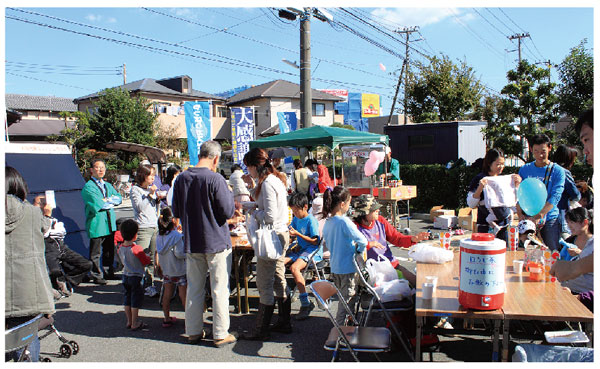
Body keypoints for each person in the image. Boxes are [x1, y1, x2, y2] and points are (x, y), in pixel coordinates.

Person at [172, 140, 237, 347]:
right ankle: (219, 333)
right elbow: (227, 212)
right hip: (216, 241)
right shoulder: (215, 179)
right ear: (215, 158)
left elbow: (176, 212)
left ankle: (192, 331)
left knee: (194, 288)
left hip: (192, 241)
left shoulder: (181, 179)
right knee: (219, 289)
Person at [5, 166, 55, 362]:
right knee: (26, 337)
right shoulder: (33, 214)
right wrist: (45, 212)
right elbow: (45, 228)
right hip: (28, 290)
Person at [241, 147, 291, 341]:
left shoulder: (269, 183)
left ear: (255, 166)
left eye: (249, 167)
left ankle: (262, 329)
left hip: (272, 235)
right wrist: (254, 203)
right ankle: (284, 321)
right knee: (278, 278)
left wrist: (253, 211)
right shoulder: (274, 180)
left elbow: (269, 216)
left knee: (264, 282)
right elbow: (268, 206)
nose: (248, 171)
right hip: (280, 233)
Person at [550, 108, 593, 311]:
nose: (585, 151)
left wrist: (574, 268)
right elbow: (574, 196)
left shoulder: (552, 171)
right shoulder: (563, 172)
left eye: (587, 140)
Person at [321, 186, 374, 325]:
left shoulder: (328, 222)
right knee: (347, 304)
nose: (349, 207)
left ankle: (345, 330)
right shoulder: (344, 221)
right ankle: (340, 334)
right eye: (349, 203)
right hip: (348, 268)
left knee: (344, 300)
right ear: (342, 204)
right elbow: (362, 240)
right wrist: (358, 251)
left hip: (335, 267)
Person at [352, 194, 428, 287]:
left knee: (418, 283)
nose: (378, 210)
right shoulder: (354, 228)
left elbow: (397, 238)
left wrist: (413, 239)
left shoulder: (380, 221)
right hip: (373, 271)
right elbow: (350, 249)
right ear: (364, 213)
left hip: (392, 265)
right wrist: (368, 245)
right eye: (373, 209)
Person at [33, 195, 92, 297]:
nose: (42, 206)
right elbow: (44, 232)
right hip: (48, 249)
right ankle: (55, 288)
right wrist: (48, 220)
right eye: (39, 203)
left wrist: (50, 221)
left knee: (86, 264)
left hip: (61, 247)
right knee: (54, 271)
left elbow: (60, 231)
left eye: (44, 203)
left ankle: (67, 281)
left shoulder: (53, 218)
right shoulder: (33, 219)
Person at [517, 134, 566, 251]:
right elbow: (519, 193)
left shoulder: (558, 171)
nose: (540, 155)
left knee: (551, 251)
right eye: (536, 151)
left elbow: (555, 196)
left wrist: (540, 215)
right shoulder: (524, 169)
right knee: (527, 252)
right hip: (528, 220)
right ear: (531, 150)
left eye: (543, 151)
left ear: (550, 148)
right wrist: (520, 213)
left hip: (549, 219)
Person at [81, 158, 122, 284]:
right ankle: (96, 275)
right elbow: (98, 204)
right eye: (98, 168)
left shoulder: (107, 185)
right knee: (96, 252)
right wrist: (109, 200)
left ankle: (109, 272)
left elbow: (119, 199)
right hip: (97, 223)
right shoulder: (88, 187)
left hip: (109, 223)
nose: (101, 170)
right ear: (91, 170)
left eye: (103, 167)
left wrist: (108, 200)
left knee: (109, 250)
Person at [467, 148, 521, 239]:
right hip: (485, 226)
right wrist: (480, 187)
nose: (501, 167)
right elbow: (471, 203)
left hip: (503, 225)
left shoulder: (504, 180)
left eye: (503, 164)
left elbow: (513, 199)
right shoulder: (480, 178)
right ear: (489, 163)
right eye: (498, 164)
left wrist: (517, 185)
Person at [284, 192, 321, 320]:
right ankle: (286, 293)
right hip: (301, 249)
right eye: (293, 211)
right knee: (278, 264)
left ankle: (305, 303)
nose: (295, 214)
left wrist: (298, 234)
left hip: (312, 250)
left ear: (305, 207)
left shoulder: (311, 220)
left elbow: (316, 241)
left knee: (294, 268)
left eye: (296, 211)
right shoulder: (296, 218)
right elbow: (291, 229)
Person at [130, 164, 164, 297]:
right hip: (143, 227)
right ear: (143, 176)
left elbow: (153, 208)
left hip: (154, 225)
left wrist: (157, 199)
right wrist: (150, 195)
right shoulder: (136, 190)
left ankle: (150, 285)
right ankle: (138, 284)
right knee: (141, 257)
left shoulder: (151, 189)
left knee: (152, 257)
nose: (153, 178)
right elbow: (140, 207)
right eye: (151, 175)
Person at [117, 219, 151, 331]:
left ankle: (129, 320)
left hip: (125, 275)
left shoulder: (120, 248)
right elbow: (145, 261)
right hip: (136, 276)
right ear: (135, 235)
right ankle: (135, 321)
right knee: (135, 299)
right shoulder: (136, 249)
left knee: (127, 298)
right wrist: (148, 257)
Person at [156, 207, 187, 328]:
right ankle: (189, 320)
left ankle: (166, 317)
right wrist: (187, 254)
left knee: (167, 294)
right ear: (173, 220)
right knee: (183, 295)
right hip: (179, 269)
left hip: (167, 270)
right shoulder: (176, 236)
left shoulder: (159, 236)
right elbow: (179, 254)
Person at [558, 207, 593, 295]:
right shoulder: (569, 241)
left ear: (585, 222)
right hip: (565, 288)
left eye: (572, 222)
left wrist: (580, 253)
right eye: (568, 222)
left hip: (584, 295)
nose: (569, 226)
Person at [553, 144, 581, 238]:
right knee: (565, 243)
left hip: (545, 214)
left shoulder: (548, 169)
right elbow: (575, 195)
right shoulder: (563, 172)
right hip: (560, 214)